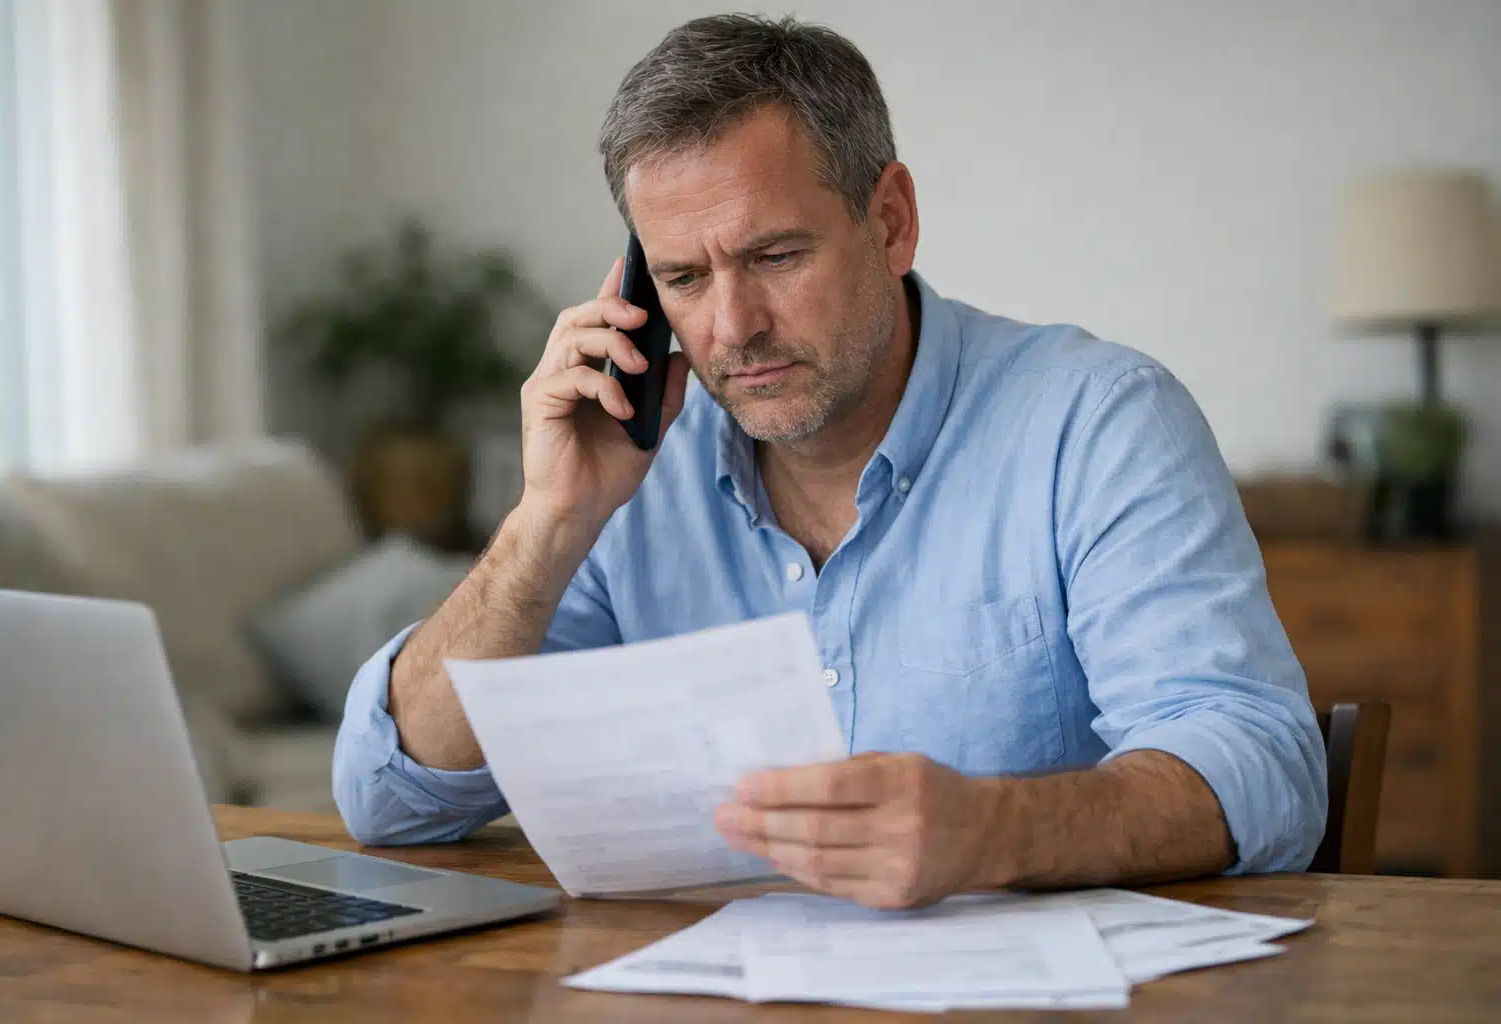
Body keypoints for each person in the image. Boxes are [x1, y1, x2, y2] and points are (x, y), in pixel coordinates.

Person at [333, 14, 1326, 910]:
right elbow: (392, 798)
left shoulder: (1097, 420)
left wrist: (995, 831)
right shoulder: (632, 469)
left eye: (775, 256)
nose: (732, 327)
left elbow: (1262, 766)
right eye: (682, 276)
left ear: (889, 219)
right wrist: (547, 524)